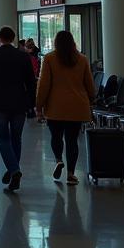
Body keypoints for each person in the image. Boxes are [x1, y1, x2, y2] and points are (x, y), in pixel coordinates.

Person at [0, 26, 37, 192]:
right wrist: (30, 102)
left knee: (4, 138)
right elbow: (31, 82)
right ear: (13, 38)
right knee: (16, 138)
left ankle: (14, 170)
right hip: (19, 103)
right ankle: (14, 170)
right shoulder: (23, 56)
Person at [35, 30, 95, 186]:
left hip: (55, 107)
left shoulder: (49, 59)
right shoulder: (82, 59)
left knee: (56, 137)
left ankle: (59, 160)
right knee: (72, 141)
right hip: (77, 106)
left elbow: (44, 85)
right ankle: (71, 174)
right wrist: (91, 99)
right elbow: (89, 84)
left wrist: (39, 106)